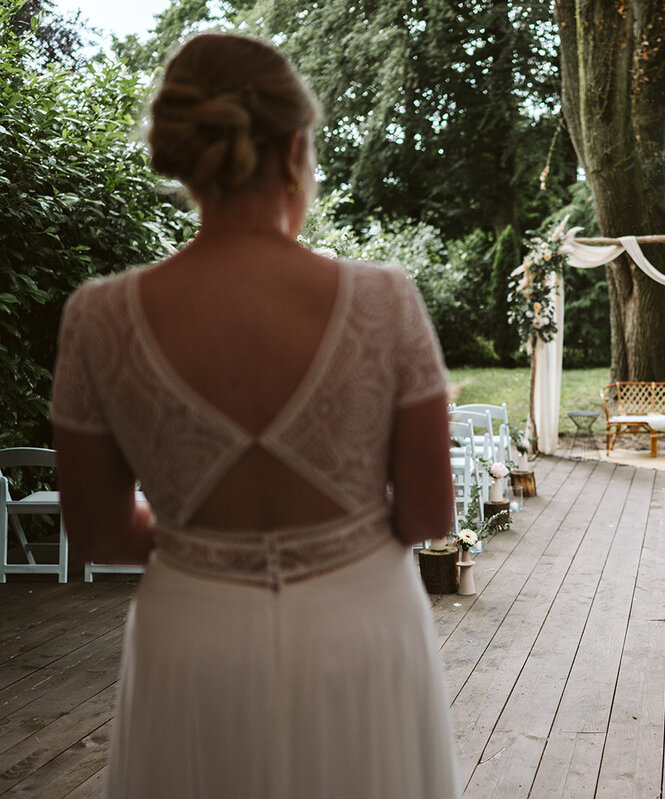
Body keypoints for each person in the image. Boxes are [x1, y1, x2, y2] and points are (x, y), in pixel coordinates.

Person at [51, 33, 459, 798]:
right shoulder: (384, 299)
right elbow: (429, 512)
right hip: (362, 635)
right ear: (296, 147)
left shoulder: (98, 317)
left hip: (192, 639)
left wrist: (201, 537)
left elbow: (99, 531)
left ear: (185, 155)